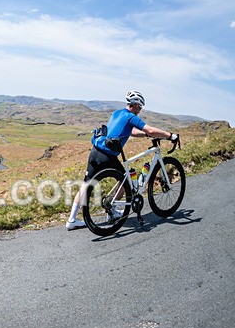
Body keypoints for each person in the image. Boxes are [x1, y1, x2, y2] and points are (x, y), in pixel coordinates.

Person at [66, 90, 180, 229]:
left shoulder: (117, 113)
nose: (140, 111)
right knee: (126, 181)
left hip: (95, 152)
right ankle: (112, 210)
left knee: (86, 184)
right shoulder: (131, 117)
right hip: (108, 156)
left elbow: (130, 131)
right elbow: (150, 129)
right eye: (139, 107)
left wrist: (145, 135)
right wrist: (170, 136)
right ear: (135, 105)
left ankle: (71, 220)